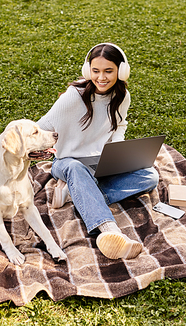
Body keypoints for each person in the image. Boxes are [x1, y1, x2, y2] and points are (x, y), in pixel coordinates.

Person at [37, 43, 159, 260]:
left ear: (121, 71)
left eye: (108, 71)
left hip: (99, 162)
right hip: (67, 162)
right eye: (96, 71)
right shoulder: (74, 96)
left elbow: (120, 125)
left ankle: (77, 193)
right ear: (88, 71)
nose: (101, 77)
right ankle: (109, 231)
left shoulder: (122, 96)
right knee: (75, 167)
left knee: (150, 175)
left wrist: (117, 150)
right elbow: (42, 125)